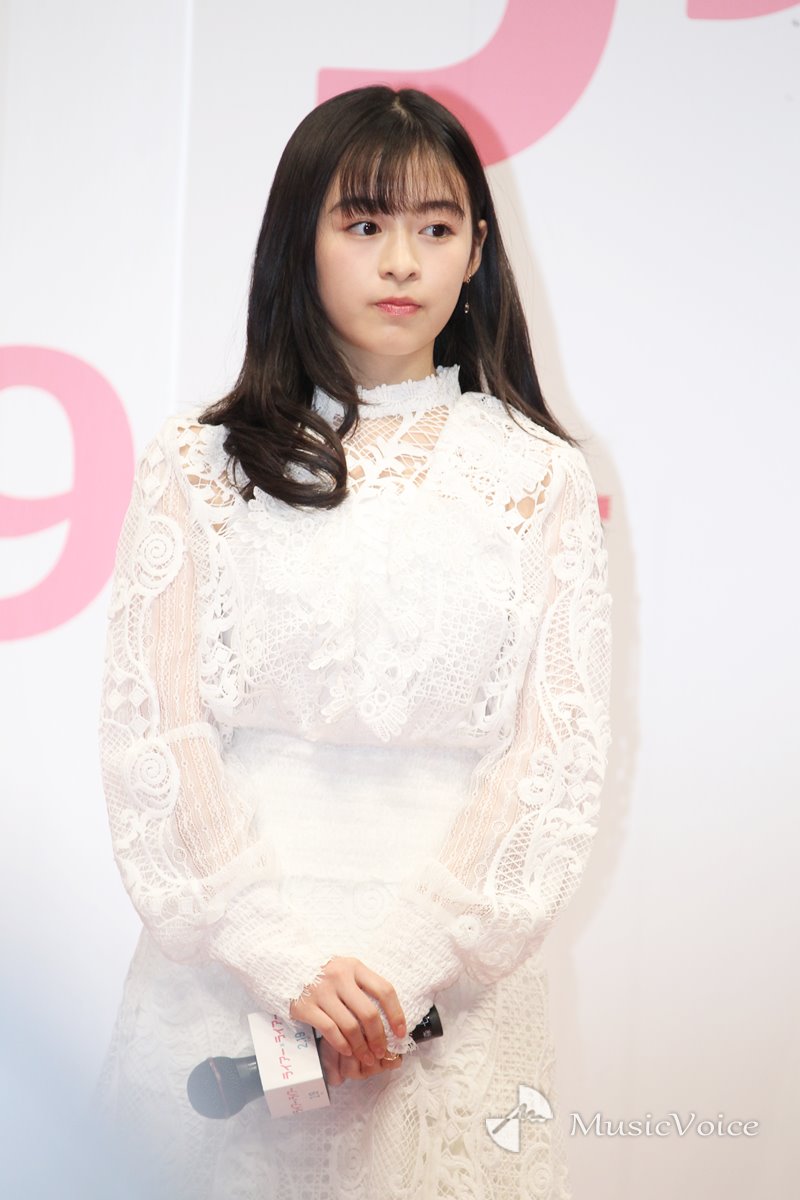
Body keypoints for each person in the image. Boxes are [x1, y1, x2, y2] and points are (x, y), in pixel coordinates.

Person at [97, 85, 611, 1200]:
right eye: (364, 223)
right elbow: (155, 733)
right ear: (302, 239)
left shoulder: (542, 478)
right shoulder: (196, 464)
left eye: (436, 227)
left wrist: (403, 970)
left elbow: (554, 758)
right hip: (226, 990)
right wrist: (280, 958)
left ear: (477, 251)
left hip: (449, 996)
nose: (402, 262)